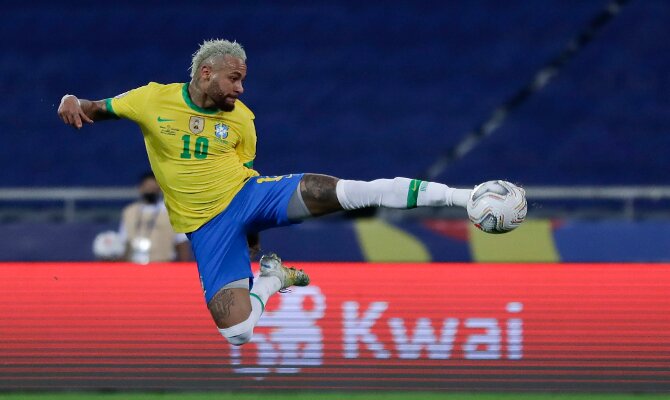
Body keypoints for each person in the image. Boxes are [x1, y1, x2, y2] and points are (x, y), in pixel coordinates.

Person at [57, 39, 480, 347]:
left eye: (243, 80)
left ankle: (467, 197)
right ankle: (273, 279)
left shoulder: (242, 120)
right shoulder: (152, 99)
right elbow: (97, 108)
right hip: (205, 225)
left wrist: (255, 230)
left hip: (247, 196)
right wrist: (71, 97)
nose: (241, 89)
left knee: (347, 191)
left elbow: (246, 169)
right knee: (237, 332)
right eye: (234, 79)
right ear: (207, 73)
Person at [119, 171, 192, 264]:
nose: (150, 191)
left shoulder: (171, 211)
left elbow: (181, 243)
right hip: (134, 265)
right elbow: (124, 243)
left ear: (159, 189)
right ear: (140, 189)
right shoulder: (129, 212)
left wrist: (184, 268)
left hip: (163, 265)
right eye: (147, 188)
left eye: (154, 188)